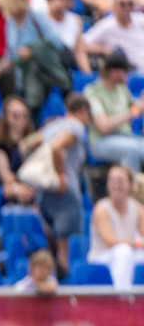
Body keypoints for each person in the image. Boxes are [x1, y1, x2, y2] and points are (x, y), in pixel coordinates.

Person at [37, 93, 91, 277]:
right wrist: (61, 177)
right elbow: (57, 148)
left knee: (51, 238)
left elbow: (27, 144)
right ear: (83, 111)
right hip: (64, 190)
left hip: (44, 189)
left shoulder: (53, 125)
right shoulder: (76, 125)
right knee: (64, 254)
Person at [84, 51, 144, 174]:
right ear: (113, 72)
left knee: (135, 147)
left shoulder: (122, 89)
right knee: (131, 150)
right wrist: (134, 110)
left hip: (128, 138)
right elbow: (103, 127)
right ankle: (132, 192)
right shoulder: (92, 92)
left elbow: (138, 110)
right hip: (101, 142)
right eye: (125, 72)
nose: (128, 75)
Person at [86, 165, 144, 290]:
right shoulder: (101, 209)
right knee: (123, 252)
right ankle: (123, 297)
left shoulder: (137, 208)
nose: (116, 185)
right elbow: (110, 241)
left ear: (130, 185)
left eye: (120, 181)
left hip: (129, 253)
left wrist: (139, 243)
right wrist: (138, 243)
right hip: (102, 256)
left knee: (128, 253)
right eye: (112, 181)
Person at [0, 95, 38, 206]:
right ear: (6, 117)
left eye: (24, 115)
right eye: (16, 115)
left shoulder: (33, 144)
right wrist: (17, 188)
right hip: (7, 192)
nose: (20, 119)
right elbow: (7, 178)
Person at [40, 0, 92, 75]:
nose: (62, 0)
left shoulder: (76, 20)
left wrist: (88, 75)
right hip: (44, 68)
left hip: (65, 68)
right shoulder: (41, 19)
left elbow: (79, 52)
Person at [83, 0, 144, 69]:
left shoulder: (140, 19)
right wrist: (104, 49)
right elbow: (83, 45)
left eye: (130, 4)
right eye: (122, 4)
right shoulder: (106, 25)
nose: (127, 8)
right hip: (127, 70)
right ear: (115, 6)